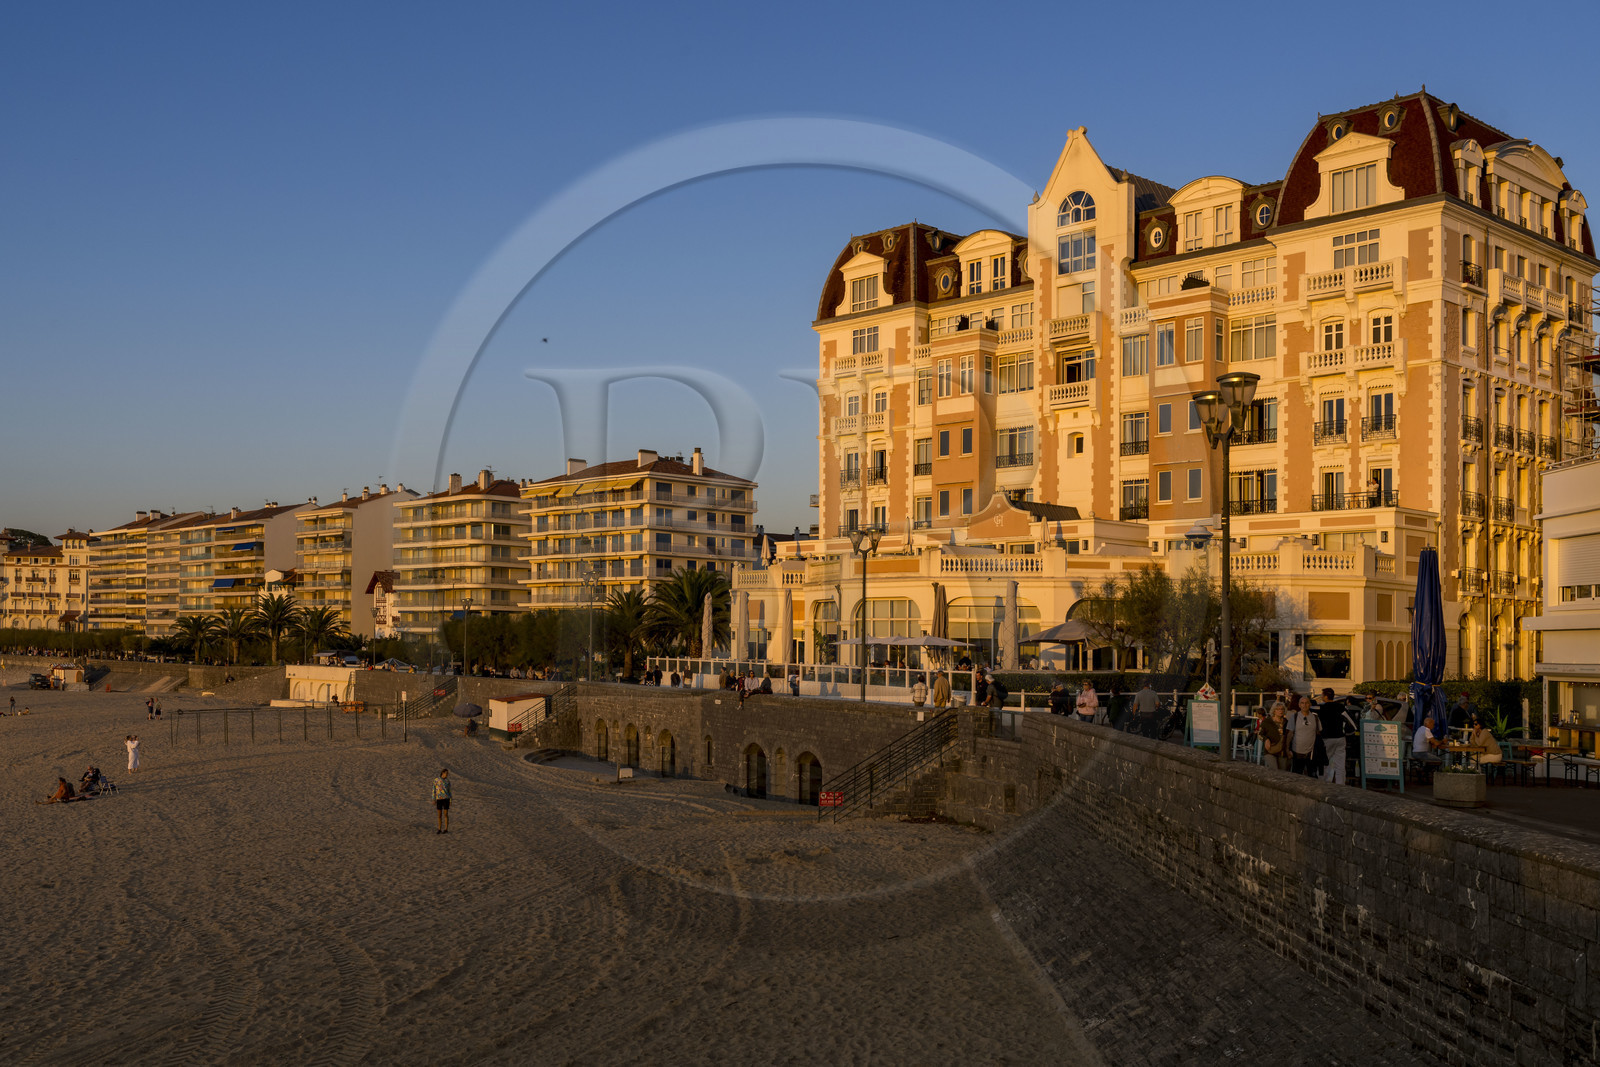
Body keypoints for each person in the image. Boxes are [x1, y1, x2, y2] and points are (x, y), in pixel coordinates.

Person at [1317, 687, 1352, 786]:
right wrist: (1347, 732)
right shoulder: (1341, 707)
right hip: (1340, 738)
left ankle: (1322, 783)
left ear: (1326, 696)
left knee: (1324, 762)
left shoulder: (1321, 708)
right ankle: (1340, 785)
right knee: (1340, 764)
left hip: (1327, 738)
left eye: (1322, 695)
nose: (1321, 697)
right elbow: (1351, 722)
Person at [1289, 696, 1319, 776]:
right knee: (1296, 777)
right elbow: (1289, 735)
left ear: (1310, 704)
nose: (1304, 705)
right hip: (1297, 753)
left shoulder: (1315, 717)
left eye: (1306, 703)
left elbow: (1318, 733)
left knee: (1312, 777)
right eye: (1302, 703)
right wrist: (1287, 749)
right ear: (1299, 705)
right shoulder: (1294, 717)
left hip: (1311, 754)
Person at [1260, 701, 1290, 771]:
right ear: (1274, 711)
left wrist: (1289, 749)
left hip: (1282, 752)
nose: (1280, 711)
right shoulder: (1267, 721)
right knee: (1274, 770)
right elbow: (1260, 734)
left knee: (1283, 772)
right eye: (1278, 709)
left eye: (1282, 709)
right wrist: (1266, 739)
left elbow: (1290, 736)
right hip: (1270, 750)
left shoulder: (1286, 722)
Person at [433, 768, 452, 833]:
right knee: (439, 815)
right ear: (442, 773)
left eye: (447, 774)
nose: (447, 775)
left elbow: (449, 791)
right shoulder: (436, 780)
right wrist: (433, 798)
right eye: (446, 773)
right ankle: (439, 829)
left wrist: (450, 800)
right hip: (439, 799)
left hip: (446, 799)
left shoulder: (448, 781)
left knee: (446, 814)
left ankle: (446, 829)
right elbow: (434, 790)